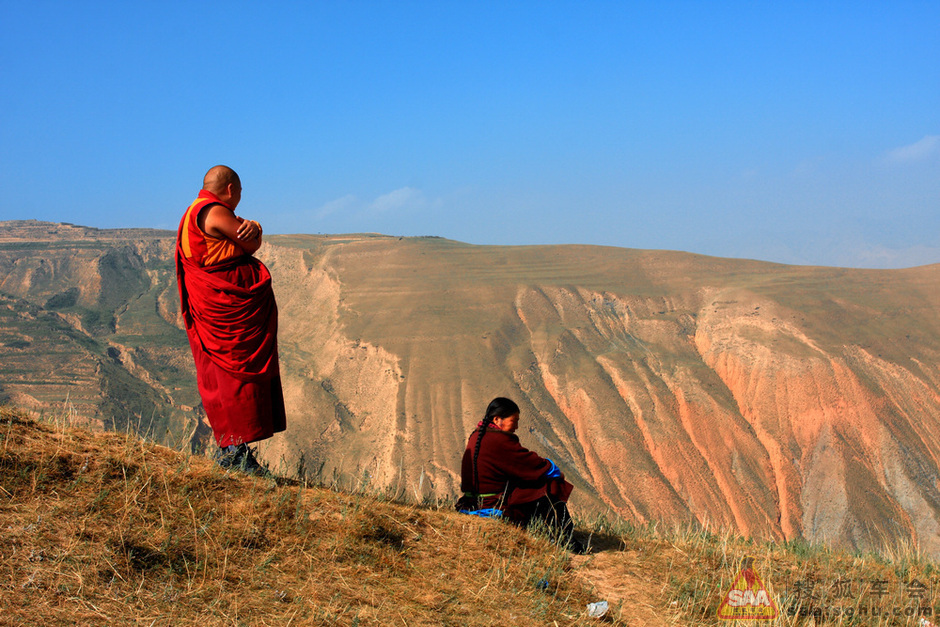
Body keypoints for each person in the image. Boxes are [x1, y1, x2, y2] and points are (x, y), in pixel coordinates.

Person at [175, 165, 286, 474]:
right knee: (231, 379)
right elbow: (249, 243)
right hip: (226, 313)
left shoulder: (192, 213)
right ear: (230, 190)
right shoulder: (213, 211)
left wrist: (252, 226)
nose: (238, 198)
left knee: (220, 378)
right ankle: (234, 451)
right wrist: (256, 229)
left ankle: (231, 449)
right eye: (239, 193)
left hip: (216, 311)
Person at [457, 397, 581, 551]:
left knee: (535, 488)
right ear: (497, 419)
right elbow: (528, 463)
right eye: (513, 421)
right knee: (551, 486)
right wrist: (553, 470)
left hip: (475, 501)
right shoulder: (498, 440)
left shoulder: (478, 435)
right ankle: (567, 541)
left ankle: (555, 535)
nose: (516, 426)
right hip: (494, 504)